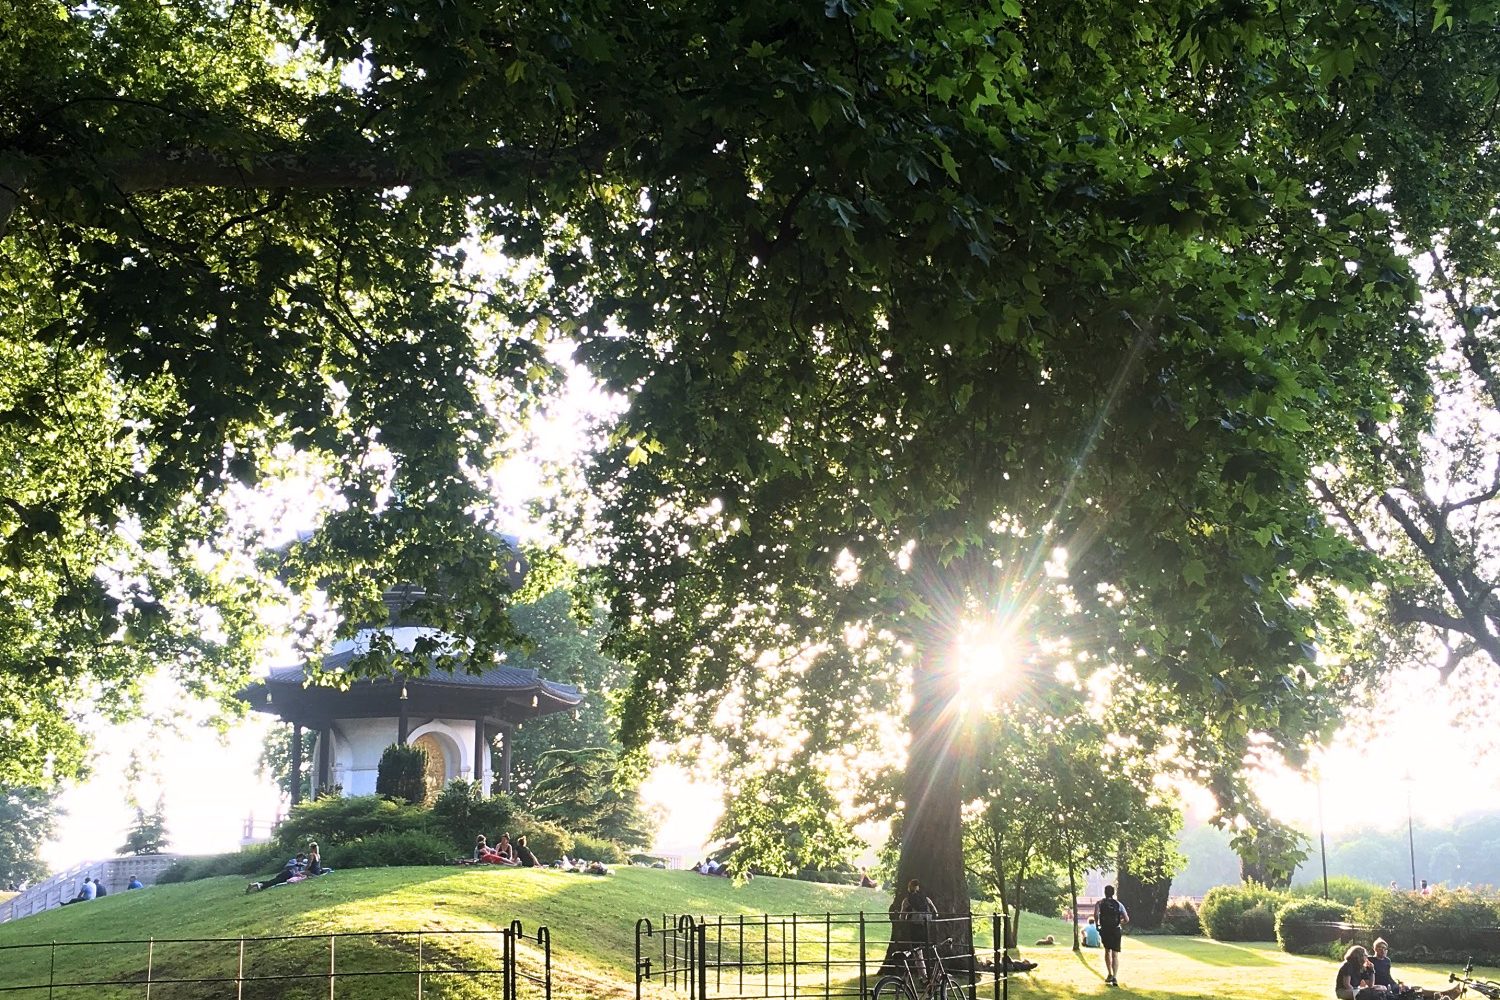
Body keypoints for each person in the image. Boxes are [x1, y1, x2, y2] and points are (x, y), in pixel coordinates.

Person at [1369, 938, 1462, 1000]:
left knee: (1416, 989)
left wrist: (1398, 984)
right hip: (1380, 987)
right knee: (1411, 992)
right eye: (1380, 948)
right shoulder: (1370, 960)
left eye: (1384, 948)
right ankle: (1444, 995)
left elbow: (1387, 976)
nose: (1382, 950)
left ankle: (1443, 994)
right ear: (1375, 949)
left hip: (1391, 985)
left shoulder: (1387, 961)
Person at [900, 879, 940, 979]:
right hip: (926, 927)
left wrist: (907, 917)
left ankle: (923, 975)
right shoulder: (926, 899)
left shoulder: (907, 900)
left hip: (915, 928)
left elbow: (902, 916)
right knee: (928, 950)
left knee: (917, 952)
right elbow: (935, 912)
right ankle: (932, 974)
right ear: (918, 888)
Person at [1094, 884, 1129, 987]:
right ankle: (1115, 977)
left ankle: (1109, 973)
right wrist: (1119, 922)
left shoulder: (1099, 903)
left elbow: (1096, 915)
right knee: (1115, 954)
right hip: (1116, 930)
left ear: (1105, 892)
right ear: (1113, 893)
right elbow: (1127, 919)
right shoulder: (1118, 904)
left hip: (1105, 930)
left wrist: (1097, 924)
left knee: (1107, 951)